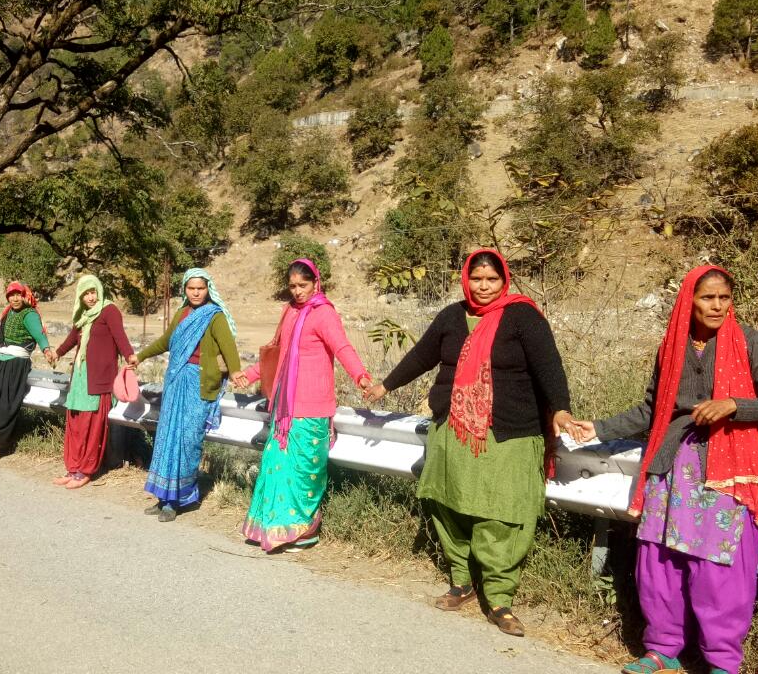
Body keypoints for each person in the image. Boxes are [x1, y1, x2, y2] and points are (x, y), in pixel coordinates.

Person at [565, 266, 758, 674]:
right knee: (661, 560)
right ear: (689, 300)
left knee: (718, 567)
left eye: (724, 297)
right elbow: (652, 410)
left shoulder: (750, 343)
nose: (717, 306)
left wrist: (735, 405)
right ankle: (663, 649)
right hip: (673, 467)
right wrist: (598, 429)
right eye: (707, 298)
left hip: (728, 472)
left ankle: (721, 660)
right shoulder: (672, 347)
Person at [363, 249, 572, 637]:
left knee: (502, 514)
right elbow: (422, 356)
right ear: (466, 279)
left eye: (491, 279)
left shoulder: (523, 316)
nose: (484, 286)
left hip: (508, 433)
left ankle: (498, 597)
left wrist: (560, 409)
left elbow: (549, 366)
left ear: (504, 280)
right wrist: (385, 385)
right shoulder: (451, 316)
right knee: (449, 505)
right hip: (453, 429)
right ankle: (462, 581)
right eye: (477, 279)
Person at [232, 259, 373, 552]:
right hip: (285, 407)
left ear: (316, 283)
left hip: (313, 405)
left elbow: (342, 347)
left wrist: (360, 375)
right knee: (278, 466)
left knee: (304, 470)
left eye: (303, 285)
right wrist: (249, 374)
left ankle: (304, 530)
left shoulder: (323, 314)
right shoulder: (290, 312)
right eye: (292, 286)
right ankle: (276, 527)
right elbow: (278, 356)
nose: (297, 291)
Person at [129, 269, 241, 522]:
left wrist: (235, 371)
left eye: (201, 288)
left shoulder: (214, 316)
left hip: (199, 383)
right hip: (176, 381)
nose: (196, 292)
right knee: (168, 438)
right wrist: (141, 356)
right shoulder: (182, 313)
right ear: (185, 290)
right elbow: (165, 341)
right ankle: (163, 498)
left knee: (188, 441)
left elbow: (228, 347)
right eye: (192, 288)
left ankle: (179, 500)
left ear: (208, 288)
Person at [49, 274, 134, 488]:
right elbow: (72, 339)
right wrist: (57, 353)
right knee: (76, 423)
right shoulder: (84, 315)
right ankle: (73, 467)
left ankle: (85, 470)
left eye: (93, 292)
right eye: (86, 293)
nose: (90, 297)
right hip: (80, 376)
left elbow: (120, 336)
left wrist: (130, 355)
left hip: (99, 378)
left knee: (91, 425)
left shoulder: (109, 310)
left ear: (99, 291)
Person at [0, 281, 51, 463]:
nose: (15, 298)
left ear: (25, 295)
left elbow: (40, 334)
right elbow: (0, 334)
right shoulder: (8, 312)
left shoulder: (29, 314)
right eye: (11, 295)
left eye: (18, 294)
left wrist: (46, 349)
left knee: (2, 404)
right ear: (7, 297)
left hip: (15, 364)